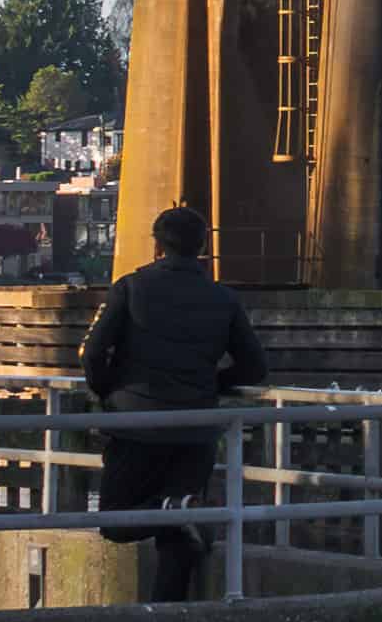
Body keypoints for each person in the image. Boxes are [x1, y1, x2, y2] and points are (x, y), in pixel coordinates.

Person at [72, 203, 255, 575]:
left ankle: (173, 510)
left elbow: (92, 353)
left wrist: (108, 390)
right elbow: (255, 366)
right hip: (196, 428)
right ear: (202, 247)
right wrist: (211, 384)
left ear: (157, 246)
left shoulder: (131, 288)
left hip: (137, 425)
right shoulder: (224, 298)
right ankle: (172, 595)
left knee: (115, 522)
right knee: (178, 543)